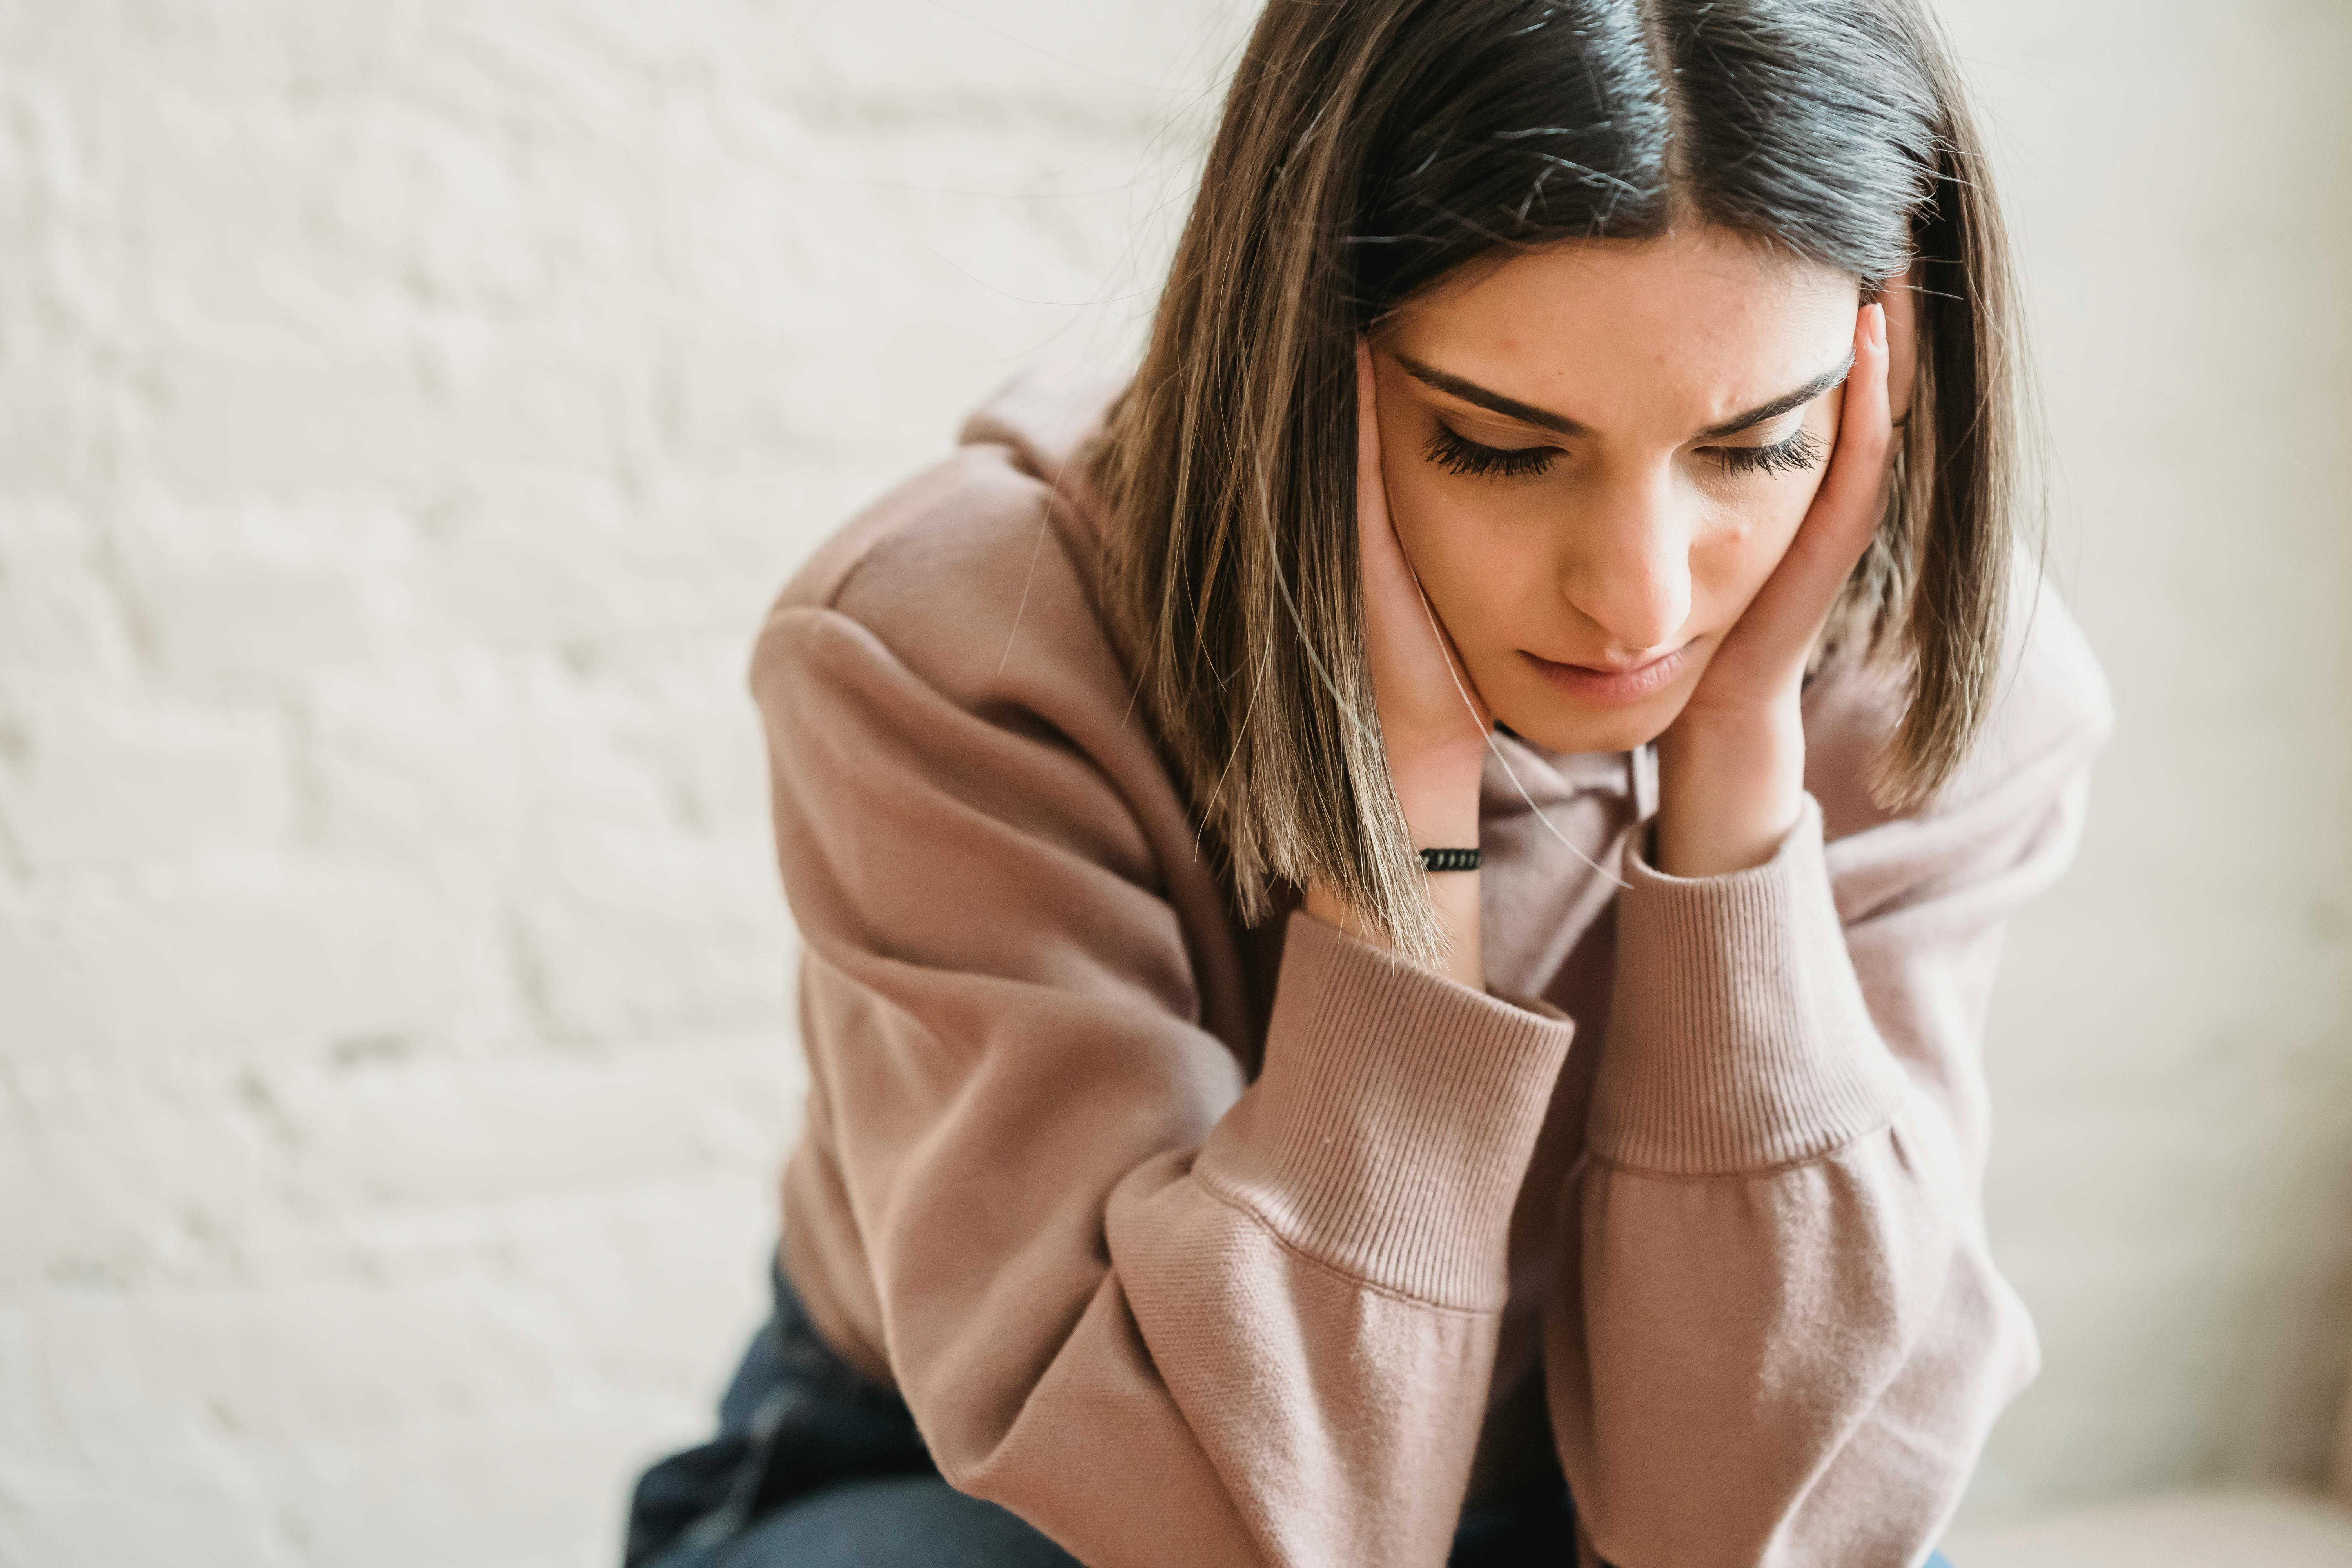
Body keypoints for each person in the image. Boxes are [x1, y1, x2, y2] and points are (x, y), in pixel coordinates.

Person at [624, 0, 2113, 1563]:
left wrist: (1736, 800)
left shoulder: (1938, 678)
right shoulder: (958, 656)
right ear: (1294, 361)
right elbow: (1231, 1523)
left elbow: (1736, 1529)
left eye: (1754, 448)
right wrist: (1398, 825)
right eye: (1499, 445)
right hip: (1015, 1485)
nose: (1647, 603)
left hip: (1575, 1487)